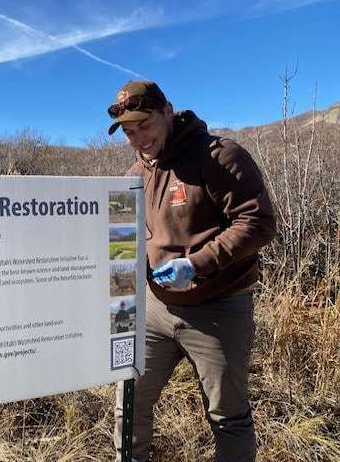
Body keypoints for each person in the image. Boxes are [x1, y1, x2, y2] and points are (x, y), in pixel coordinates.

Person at [107, 80, 276, 462]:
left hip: (218, 310)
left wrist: (197, 264)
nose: (138, 138)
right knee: (128, 405)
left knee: (227, 417)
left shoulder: (219, 156)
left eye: (145, 125)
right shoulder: (136, 173)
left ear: (168, 111)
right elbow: (123, 239)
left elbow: (259, 222)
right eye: (129, 132)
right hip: (154, 310)